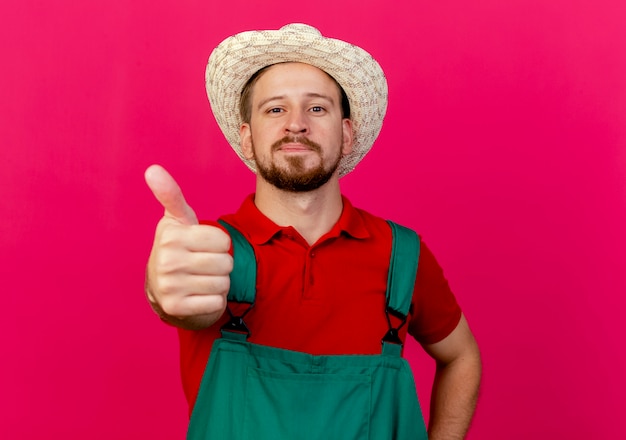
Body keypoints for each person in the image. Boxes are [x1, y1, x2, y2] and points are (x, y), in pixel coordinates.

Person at [145, 23, 481, 439]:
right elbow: (178, 294)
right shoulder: (210, 250)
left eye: (317, 108)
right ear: (247, 138)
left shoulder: (402, 255)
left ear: (346, 133)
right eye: (275, 109)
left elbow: (462, 356)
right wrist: (160, 288)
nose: (296, 125)